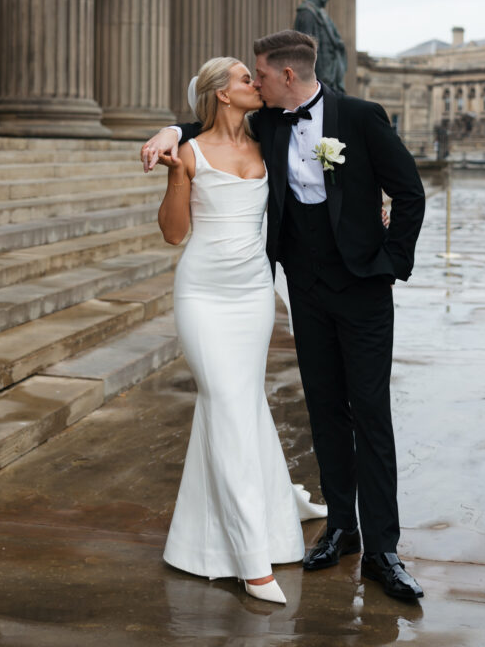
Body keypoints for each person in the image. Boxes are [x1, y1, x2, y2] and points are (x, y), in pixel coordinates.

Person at [143, 31, 426, 602]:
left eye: (261, 75)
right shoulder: (268, 123)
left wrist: (390, 264)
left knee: (370, 412)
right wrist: (169, 132)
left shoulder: (362, 116)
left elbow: (410, 191)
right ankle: (342, 529)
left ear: (287, 77)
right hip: (303, 290)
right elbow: (202, 130)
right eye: (247, 78)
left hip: (364, 289)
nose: (256, 82)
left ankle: (384, 550)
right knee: (324, 409)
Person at [156, 56, 326, 606]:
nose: (256, 83)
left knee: (242, 404)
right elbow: (173, 234)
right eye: (244, 78)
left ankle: (212, 534)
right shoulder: (188, 150)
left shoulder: (270, 136)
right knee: (227, 403)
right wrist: (179, 171)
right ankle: (252, 560)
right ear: (221, 95)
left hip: (254, 294)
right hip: (203, 294)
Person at [294, 0, 347, 93]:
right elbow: (305, 50)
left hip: (329, 75)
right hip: (318, 77)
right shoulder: (307, 13)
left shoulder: (322, 14)